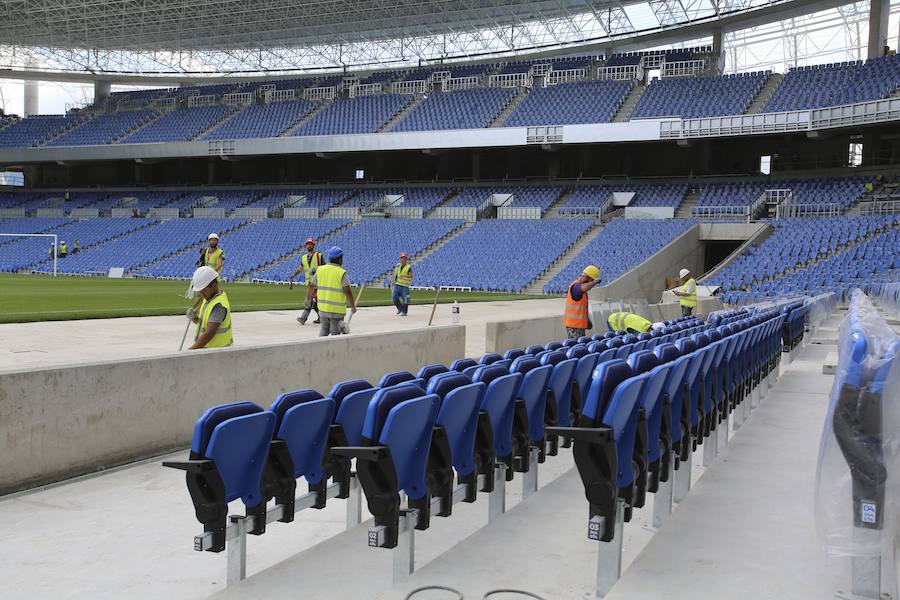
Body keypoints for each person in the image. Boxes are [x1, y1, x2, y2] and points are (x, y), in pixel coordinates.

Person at [308, 246, 357, 337]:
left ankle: (320, 348)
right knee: (335, 332)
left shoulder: (320, 269)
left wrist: (307, 298)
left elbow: (311, 285)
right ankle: (333, 351)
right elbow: (347, 290)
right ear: (339, 259)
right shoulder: (341, 272)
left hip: (322, 309)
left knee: (324, 329)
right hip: (336, 311)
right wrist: (353, 306)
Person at [185, 266, 233, 349]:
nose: (201, 294)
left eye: (203, 290)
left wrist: (191, 350)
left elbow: (209, 333)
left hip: (216, 353)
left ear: (214, 286)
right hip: (208, 352)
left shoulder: (219, 306)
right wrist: (195, 318)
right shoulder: (208, 298)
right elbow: (203, 323)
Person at [290, 237, 323, 325]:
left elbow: (324, 267)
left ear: (313, 245)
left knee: (308, 300)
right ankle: (321, 317)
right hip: (309, 283)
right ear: (306, 246)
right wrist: (294, 275)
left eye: (311, 244)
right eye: (308, 244)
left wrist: (315, 270)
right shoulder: (304, 257)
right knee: (314, 302)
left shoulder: (318, 256)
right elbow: (300, 268)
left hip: (317, 282)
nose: (309, 245)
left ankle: (303, 318)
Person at [563, 265, 600, 340]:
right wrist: (595, 282)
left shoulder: (581, 289)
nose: (591, 284)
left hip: (578, 326)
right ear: (587, 277)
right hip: (574, 327)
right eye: (591, 281)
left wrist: (587, 320)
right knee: (576, 348)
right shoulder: (576, 287)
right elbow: (584, 287)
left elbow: (580, 309)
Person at [391, 252, 413, 316]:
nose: (403, 260)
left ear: (406, 259)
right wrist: (393, 281)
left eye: (404, 258)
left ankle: (404, 312)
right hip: (397, 284)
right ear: (400, 259)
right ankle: (400, 308)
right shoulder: (398, 266)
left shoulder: (408, 267)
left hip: (405, 286)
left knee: (406, 299)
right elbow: (395, 274)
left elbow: (411, 276)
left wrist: (404, 276)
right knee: (394, 298)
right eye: (402, 258)